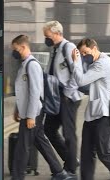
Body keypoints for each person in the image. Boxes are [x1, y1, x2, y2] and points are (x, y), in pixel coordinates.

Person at [11, 35, 72, 180]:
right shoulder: (24, 64)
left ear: (24, 47)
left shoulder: (32, 65)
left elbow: (35, 92)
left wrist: (31, 115)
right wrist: (16, 109)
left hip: (33, 113)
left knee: (22, 147)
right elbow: (22, 91)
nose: (14, 52)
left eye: (16, 49)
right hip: (27, 112)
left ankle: (17, 177)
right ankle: (59, 172)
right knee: (40, 141)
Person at [71, 38, 110, 180]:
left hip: (103, 115)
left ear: (94, 48)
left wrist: (75, 61)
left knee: (104, 153)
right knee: (86, 153)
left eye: (85, 52)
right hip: (92, 115)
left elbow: (81, 80)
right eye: (81, 54)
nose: (83, 56)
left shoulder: (103, 63)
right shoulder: (95, 63)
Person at [42, 20, 82, 177]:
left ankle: (71, 169)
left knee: (69, 134)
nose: (46, 38)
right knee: (49, 129)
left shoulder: (69, 48)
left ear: (57, 33)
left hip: (68, 98)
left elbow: (77, 74)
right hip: (55, 97)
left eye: (48, 35)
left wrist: (67, 94)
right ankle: (71, 159)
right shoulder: (55, 49)